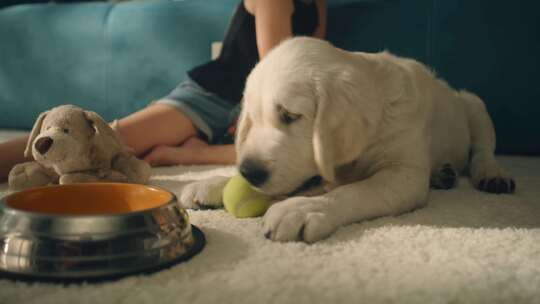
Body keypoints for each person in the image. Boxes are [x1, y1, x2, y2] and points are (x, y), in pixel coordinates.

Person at [0, 0, 327, 181]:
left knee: (298, 151)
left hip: (257, 108)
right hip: (212, 95)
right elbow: (275, 72)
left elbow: (306, 61)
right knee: (100, 142)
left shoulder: (318, 5)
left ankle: (190, 154)